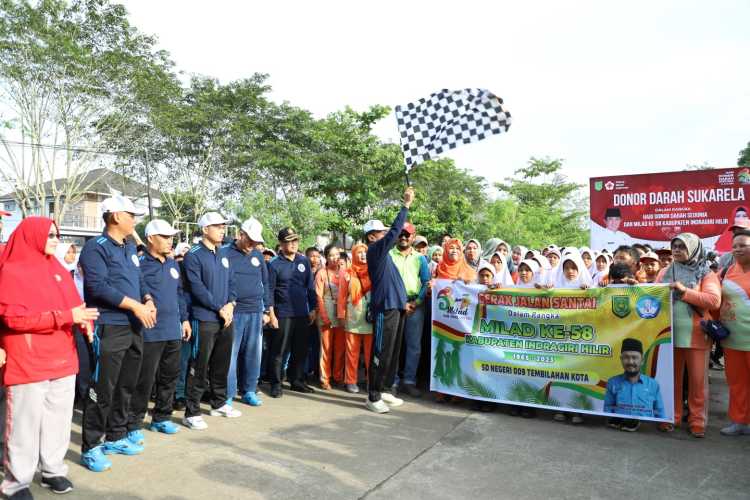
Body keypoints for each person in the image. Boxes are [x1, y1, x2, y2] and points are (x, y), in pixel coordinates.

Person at [0, 217, 99, 497]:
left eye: (58, 234)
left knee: (58, 419)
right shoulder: (11, 270)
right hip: (28, 359)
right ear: (32, 236)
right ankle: (16, 482)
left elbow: (74, 305)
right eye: (51, 234)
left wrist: (83, 322)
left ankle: (52, 470)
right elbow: (14, 319)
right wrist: (67, 316)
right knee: (23, 424)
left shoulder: (56, 268)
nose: (56, 239)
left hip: (62, 358)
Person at [79, 195, 156, 472]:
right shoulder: (95, 249)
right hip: (110, 326)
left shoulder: (128, 248)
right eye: (131, 215)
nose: (135, 220)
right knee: (103, 389)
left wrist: (147, 298)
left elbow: (140, 279)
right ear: (115, 217)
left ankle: (116, 435)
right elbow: (98, 288)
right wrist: (135, 305)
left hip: (134, 326)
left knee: (126, 385)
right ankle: (91, 446)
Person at [127, 220, 189, 439]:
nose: (170, 240)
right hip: (151, 331)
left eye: (171, 236)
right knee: (144, 379)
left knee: (170, 376)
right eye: (165, 236)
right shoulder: (141, 264)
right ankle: (133, 422)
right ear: (151, 238)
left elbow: (179, 293)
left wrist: (185, 319)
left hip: (173, 330)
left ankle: (161, 417)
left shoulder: (173, 264)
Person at [657, 233, 721, 437]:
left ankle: (697, 421)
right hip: (668, 335)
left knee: (697, 382)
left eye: (682, 246)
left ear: (693, 249)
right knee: (671, 380)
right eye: (674, 246)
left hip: (696, 336)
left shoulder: (705, 273)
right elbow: (651, 295)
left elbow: (713, 301)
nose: (676, 250)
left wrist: (685, 292)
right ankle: (671, 417)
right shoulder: (666, 272)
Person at [182, 212, 240, 430]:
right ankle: (192, 411)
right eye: (217, 226)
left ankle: (219, 403)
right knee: (199, 364)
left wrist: (231, 304)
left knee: (221, 363)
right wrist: (219, 308)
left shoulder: (223, 253)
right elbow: (197, 288)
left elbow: (232, 282)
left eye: (223, 226)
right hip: (204, 318)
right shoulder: (194, 255)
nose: (222, 229)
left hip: (226, 318)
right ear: (205, 229)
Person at [363, 186, 414, 413]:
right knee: (381, 352)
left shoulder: (383, 255)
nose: (387, 235)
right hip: (384, 308)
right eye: (381, 232)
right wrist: (405, 206)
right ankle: (373, 396)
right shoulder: (374, 250)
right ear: (373, 236)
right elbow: (395, 232)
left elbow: (394, 282)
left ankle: (383, 389)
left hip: (396, 307)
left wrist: (403, 301)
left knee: (392, 352)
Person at [224, 218, 270, 408]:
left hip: (256, 311)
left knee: (253, 353)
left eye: (256, 242)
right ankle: (228, 393)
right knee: (231, 355)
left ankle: (249, 390)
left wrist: (267, 309)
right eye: (249, 240)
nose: (252, 245)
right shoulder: (224, 253)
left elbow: (266, 283)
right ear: (240, 235)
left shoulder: (258, 256)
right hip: (234, 312)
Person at [267, 227, 317, 397]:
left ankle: (297, 381)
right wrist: (271, 314)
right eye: (289, 241)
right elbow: (269, 291)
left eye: (295, 240)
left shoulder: (303, 261)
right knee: (279, 350)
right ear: (281, 244)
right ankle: (276, 383)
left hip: (302, 312)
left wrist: (313, 308)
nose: (293, 244)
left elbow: (310, 287)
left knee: (300, 349)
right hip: (283, 313)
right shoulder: (274, 264)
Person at [390, 222, 431, 398]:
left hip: (415, 306)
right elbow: (388, 283)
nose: (404, 237)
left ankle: (409, 381)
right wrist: (401, 303)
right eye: (401, 233)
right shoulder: (389, 255)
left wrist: (417, 302)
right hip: (394, 305)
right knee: (392, 346)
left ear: (413, 237)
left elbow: (426, 282)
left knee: (414, 346)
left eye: (407, 234)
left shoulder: (420, 258)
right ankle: (391, 381)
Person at [717, 229, 750, 436]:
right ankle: (740, 421)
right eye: (735, 246)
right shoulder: (727, 271)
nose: (737, 249)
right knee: (737, 382)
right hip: (733, 339)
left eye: (743, 245)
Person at [604, 338, 665, 432]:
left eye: (634, 357)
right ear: (621, 359)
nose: (630, 362)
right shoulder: (613, 382)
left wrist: (663, 423)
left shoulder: (653, 384)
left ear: (642, 360)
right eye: (626, 357)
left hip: (646, 432)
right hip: (617, 432)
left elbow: (659, 411)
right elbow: (608, 409)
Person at [337, 243, 373, 394]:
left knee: (371, 354)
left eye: (365, 252)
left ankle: (372, 381)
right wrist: (341, 315)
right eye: (359, 252)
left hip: (371, 318)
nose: (363, 255)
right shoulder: (347, 273)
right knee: (352, 352)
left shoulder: (374, 270)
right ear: (354, 254)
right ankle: (351, 381)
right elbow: (342, 296)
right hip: (353, 317)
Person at [316, 244, 345, 390]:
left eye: (336, 254)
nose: (334, 258)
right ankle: (324, 378)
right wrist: (324, 316)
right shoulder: (321, 273)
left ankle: (338, 376)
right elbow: (318, 296)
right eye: (331, 255)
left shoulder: (345, 272)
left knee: (340, 347)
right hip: (326, 312)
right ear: (326, 257)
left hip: (341, 315)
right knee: (326, 348)